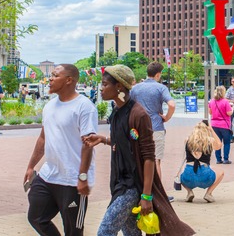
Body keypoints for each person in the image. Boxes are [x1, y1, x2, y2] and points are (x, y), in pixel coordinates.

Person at [83, 65, 194, 236]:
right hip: (119, 182)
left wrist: (147, 196)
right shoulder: (117, 111)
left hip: (132, 185)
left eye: (105, 84)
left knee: (105, 231)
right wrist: (103, 139)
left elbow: (148, 157)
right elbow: (125, 141)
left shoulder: (138, 114)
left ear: (119, 86)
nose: (101, 88)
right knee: (131, 234)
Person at [24, 64, 98, 236]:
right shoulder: (49, 106)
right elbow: (43, 138)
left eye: (55, 76)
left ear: (69, 80)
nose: (50, 79)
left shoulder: (84, 107)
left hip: (73, 180)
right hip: (49, 175)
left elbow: (88, 144)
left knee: (73, 230)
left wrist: (83, 177)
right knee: (36, 217)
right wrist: (30, 166)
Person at [130, 62, 176, 200]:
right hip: (156, 127)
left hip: (137, 129)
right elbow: (172, 104)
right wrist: (166, 117)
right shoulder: (161, 88)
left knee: (139, 160)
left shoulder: (136, 88)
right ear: (157, 74)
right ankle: (157, 195)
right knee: (155, 160)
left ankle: (141, 192)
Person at [180, 121, 224, 203]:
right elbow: (219, 145)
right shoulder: (210, 141)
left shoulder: (187, 140)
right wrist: (211, 130)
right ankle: (208, 193)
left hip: (188, 177)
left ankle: (189, 192)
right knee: (221, 172)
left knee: (180, 173)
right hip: (205, 177)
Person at [209, 86, 234, 164]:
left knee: (217, 142)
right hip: (224, 125)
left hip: (214, 125)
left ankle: (218, 159)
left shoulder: (211, 101)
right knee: (226, 142)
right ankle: (226, 159)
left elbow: (210, 112)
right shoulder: (225, 102)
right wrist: (232, 108)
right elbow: (229, 113)